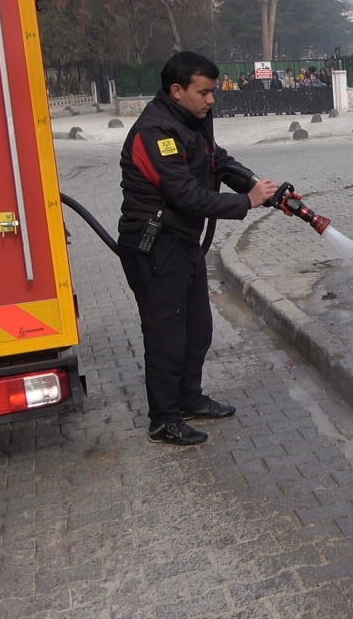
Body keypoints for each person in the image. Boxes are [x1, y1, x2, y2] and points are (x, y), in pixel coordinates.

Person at [117, 51, 279, 446]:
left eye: (213, 92)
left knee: (197, 330)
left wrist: (260, 187)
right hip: (154, 246)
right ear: (177, 90)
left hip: (183, 243)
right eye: (204, 92)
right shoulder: (154, 133)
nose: (211, 100)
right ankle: (164, 419)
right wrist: (248, 202)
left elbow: (216, 160)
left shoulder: (192, 121)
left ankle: (189, 398)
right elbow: (187, 196)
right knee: (166, 336)